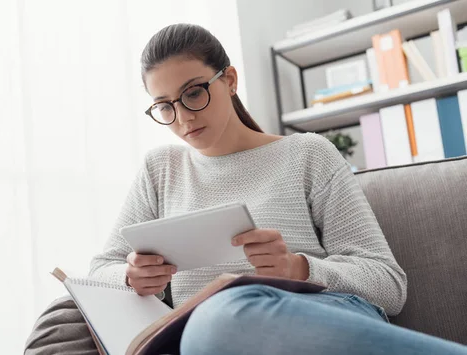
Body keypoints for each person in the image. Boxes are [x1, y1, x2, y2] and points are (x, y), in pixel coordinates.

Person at [25, 24, 467, 355]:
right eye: (164, 106)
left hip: (307, 316)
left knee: (220, 318)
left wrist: (298, 269)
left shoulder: (308, 154)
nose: (182, 119)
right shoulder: (160, 169)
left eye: (194, 93)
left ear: (229, 80)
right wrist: (129, 274)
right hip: (206, 335)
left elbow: (389, 284)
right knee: (203, 329)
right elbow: (98, 268)